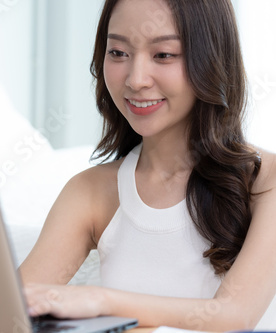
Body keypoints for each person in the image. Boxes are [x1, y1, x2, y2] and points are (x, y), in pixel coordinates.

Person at [19, 0, 276, 330]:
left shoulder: (264, 180)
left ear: (211, 58)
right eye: (118, 53)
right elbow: (11, 308)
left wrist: (101, 300)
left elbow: (233, 316)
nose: (136, 79)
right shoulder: (90, 191)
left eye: (164, 54)